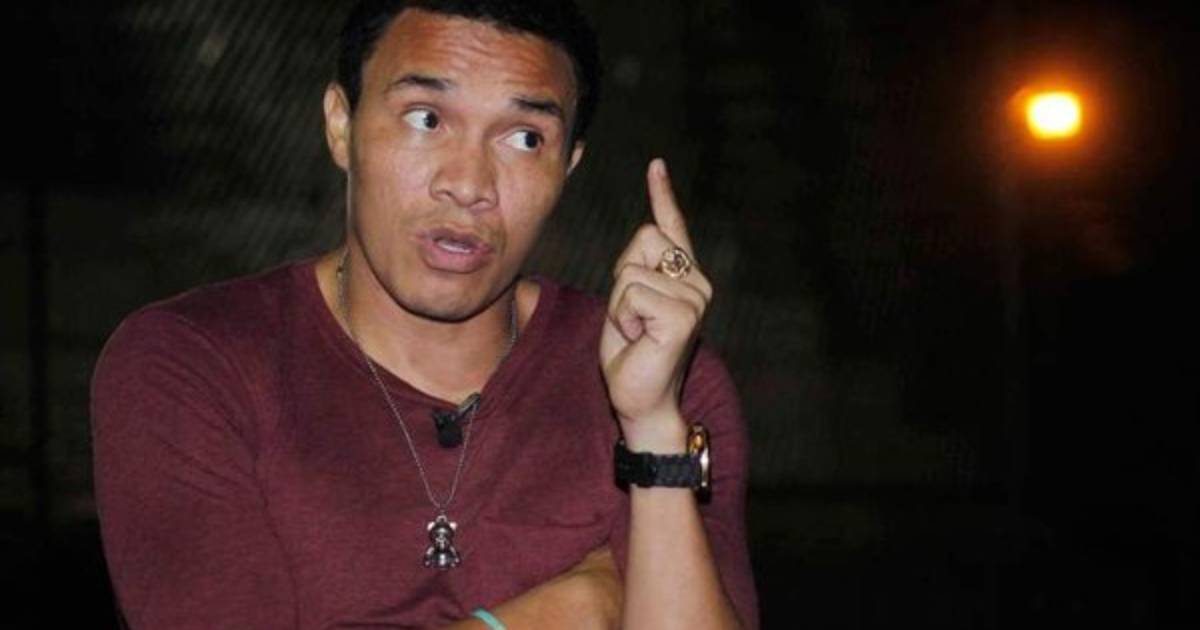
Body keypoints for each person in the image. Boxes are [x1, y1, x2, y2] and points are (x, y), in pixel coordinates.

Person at [91, 1, 757, 628]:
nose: (468, 184)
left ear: (568, 166)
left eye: (525, 137)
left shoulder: (664, 374)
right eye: (426, 119)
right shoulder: (191, 365)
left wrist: (651, 429)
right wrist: (572, 607)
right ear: (341, 126)